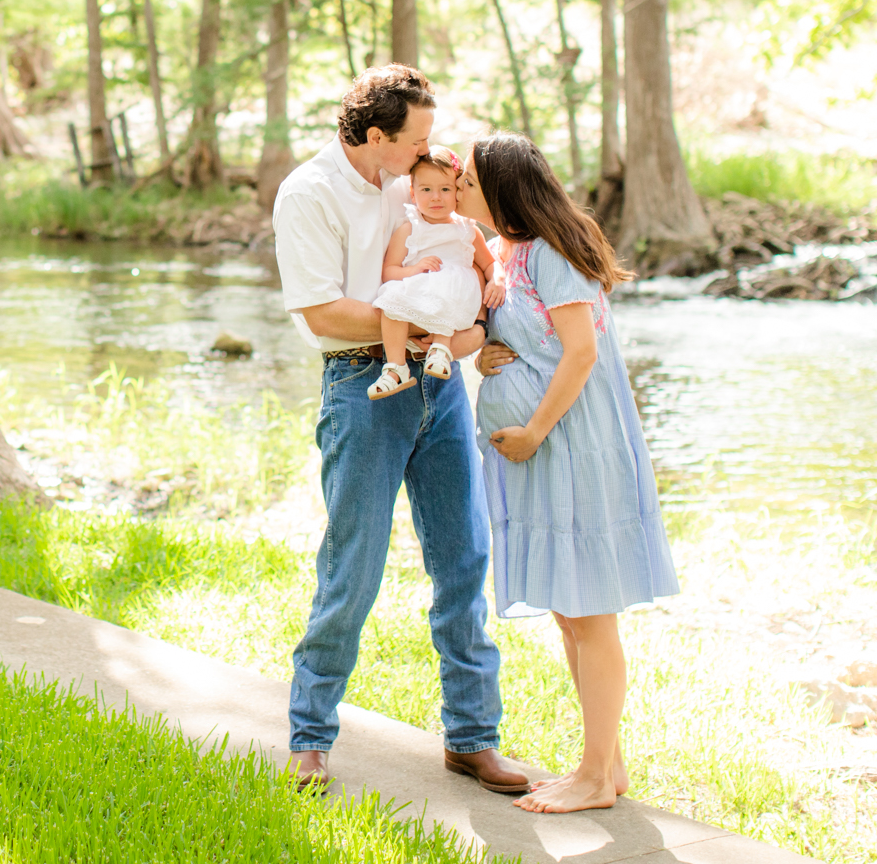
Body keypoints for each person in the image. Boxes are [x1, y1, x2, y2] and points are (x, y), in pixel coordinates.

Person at [271, 65, 529, 795]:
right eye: (418, 135)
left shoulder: (411, 181)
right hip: (362, 386)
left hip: (441, 387)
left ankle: (472, 737)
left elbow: (468, 242)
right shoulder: (310, 193)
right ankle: (310, 737)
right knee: (352, 569)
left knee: (463, 558)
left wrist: (485, 317)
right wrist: (433, 322)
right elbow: (323, 313)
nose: (432, 149)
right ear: (376, 137)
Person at [457, 132, 680, 814]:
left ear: (503, 186)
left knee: (590, 612)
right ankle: (607, 766)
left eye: (467, 178)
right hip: (540, 452)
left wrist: (530, 429)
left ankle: (592, 777)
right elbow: (530, 337)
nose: (459, 186)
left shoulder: (552, 254)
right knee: (568, 610)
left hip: (571, 445)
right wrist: (491, 351)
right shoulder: (509, 252)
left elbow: (581, 354)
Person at [368, 146, 505, 400]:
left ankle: (442, 349)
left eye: (445, 189)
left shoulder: (467, 230)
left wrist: (497, 278)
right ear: (413, 192)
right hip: (418, 289)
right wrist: (415, 269)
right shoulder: (409, 230)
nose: (436, 198)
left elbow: (489, 263)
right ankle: (396, 367)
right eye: (426, 190)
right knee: (391, 300)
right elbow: (389, 272)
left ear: (457, 191)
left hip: (456, 293)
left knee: (449, 284)